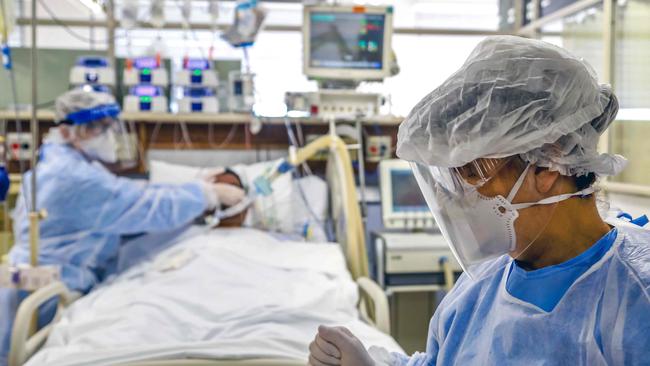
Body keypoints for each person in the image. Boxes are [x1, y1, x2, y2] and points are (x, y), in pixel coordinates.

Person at [308, 35, 650, 365]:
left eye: (471, 173)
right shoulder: (482, 286)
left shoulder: (634, 299)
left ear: (548, 163)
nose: (453, 198)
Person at [0, 89, 246, 365]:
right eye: (105, 129)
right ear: (76, 132)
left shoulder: (64, 163)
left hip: (33, 276)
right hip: (45, 287)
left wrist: (191, 186)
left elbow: (126, 194)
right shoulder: (75, 178)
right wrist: (206, 195)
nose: (113, 136)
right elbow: (141, 206)